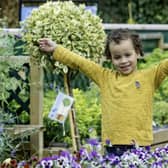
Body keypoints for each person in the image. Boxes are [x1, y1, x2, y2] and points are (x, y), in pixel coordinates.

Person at [39, 29, 168, 156]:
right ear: (110, 58)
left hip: (140, 144)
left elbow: (165, 66)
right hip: (112, 146)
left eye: (128, 55)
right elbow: (81, 63)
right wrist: (56, 49)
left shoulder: (149, 77)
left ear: (138, 52)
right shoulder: (105, 77)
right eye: (117, 57)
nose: (123, 61)